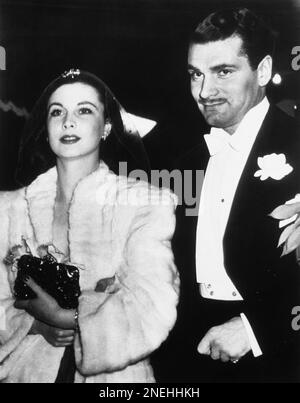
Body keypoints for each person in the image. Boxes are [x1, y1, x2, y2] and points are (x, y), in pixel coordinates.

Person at [0, 69, 179, 383]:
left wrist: (64, 317)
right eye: (57, 112)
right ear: (45, 127)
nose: (68, 122)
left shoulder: (143, 203)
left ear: (106, 127)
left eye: (84, 110)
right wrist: (33, 324)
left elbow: (151, 306)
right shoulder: (9, 208)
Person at [151, 7, 300, 382]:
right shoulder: (181, 163)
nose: (204, 91)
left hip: (278, 359)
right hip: (186, 356)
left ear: (262, 71)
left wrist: (256, 330)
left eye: (223, 71)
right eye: (195, 74)